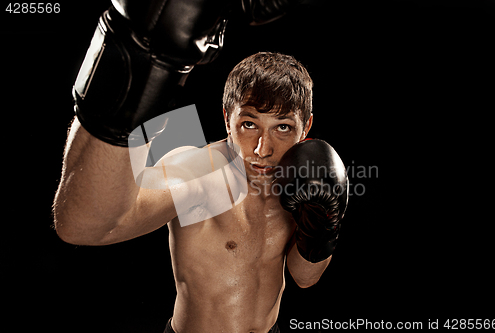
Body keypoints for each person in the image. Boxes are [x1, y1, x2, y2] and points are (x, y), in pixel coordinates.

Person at [53, 1, 348, 332]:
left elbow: (304, 278)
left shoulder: (299, 175)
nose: (263, 150)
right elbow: (80, 227)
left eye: (282, 128)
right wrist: (140, 55)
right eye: (249, 124)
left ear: (305, 128)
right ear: (226, 119)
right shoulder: (203, 172)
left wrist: (322, 228)